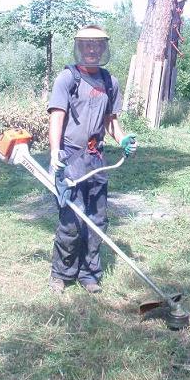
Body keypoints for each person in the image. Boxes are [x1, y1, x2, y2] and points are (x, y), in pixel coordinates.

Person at [47, 25, 137, 294]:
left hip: (97, 158)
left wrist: (121, 139)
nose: (91, 49)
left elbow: (111, 121)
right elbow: (56, 116)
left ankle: (89, 274)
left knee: (96, 219)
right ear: (79, 46)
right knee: (72, 219)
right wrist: (54, 153)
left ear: (103, 48)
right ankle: (61, 274)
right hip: (71, 157)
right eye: (86, 44)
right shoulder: (67, 78)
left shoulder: (110, 81)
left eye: (97, 45)